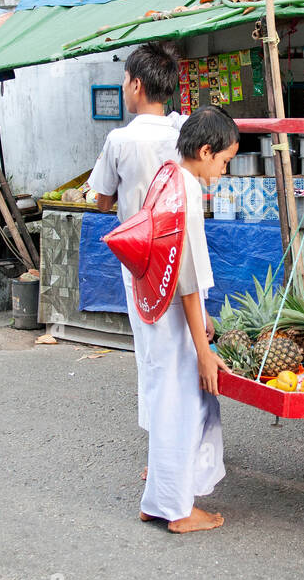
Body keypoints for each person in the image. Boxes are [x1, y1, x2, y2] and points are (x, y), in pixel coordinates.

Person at [138, 107, 238, 533]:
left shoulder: (166, 177)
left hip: (158, 315)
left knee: (164, 405)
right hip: (176, 318)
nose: (224, 170)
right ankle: (179, 510)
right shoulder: (189, 192)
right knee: (183, 409)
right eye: (225, 161)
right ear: (204, 150)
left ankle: (157, 501)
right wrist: (203, 351)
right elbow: (190, 279)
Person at [92, 43, 184, 436]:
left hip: (140, 260)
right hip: (180, 254)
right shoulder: (182, 131)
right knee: (181, 344)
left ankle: (160, 442)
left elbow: (101, 199)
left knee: (149, 349)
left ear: (136, 84)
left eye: (125, 80)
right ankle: (183, 435)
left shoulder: (119, 141)